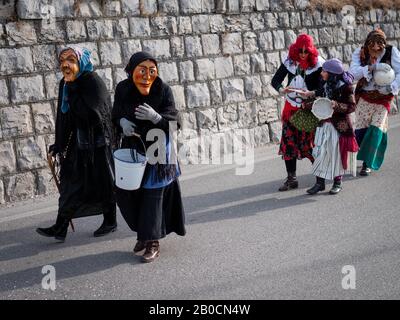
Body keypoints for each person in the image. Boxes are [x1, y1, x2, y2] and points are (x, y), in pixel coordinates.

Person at [36, 47, 117, 242]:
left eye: (71, 60)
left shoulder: (93, 82)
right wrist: (59, 143)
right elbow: (63, 117)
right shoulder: (66, 84)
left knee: (103, 182)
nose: (65, 64)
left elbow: (95, 116)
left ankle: (110, 221)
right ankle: (61, 226)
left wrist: (73, 92)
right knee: (70, 183)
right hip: (77, 143)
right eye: (62, 60)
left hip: (98, 142)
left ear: (81, 62)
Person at [112, 51, 185, 263]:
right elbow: (115, 114)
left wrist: (157, 118)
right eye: (141, 71)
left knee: (153, 197)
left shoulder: (163, 90)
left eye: (152, 71)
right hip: (133, 149)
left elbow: (175, 123)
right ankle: (143, 234)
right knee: (128, 195)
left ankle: (153, 242)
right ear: (131, 71)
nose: (147, 76)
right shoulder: (123, 89)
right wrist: (122, 123)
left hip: (159, 151)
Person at [271, 34, 324, 191]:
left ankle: (320, 179)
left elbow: (324, 88)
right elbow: (275, 80)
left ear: (311, 51)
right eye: (300, 50)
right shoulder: (289, 62)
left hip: (307, 110)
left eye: (305, 51)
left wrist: (311, 93)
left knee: (309, 145)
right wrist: (282, 89)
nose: (302, 54)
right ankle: (291, 179)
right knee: (288, 144)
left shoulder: (319, 65)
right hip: (290, 109)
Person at [300, 59, 358, 195]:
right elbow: (320, 97)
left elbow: (351, 106)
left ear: (332, 73)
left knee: (334, 154)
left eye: (325, 71)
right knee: (318, 153)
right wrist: (307, 100)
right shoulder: (325, 83)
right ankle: (319, 183)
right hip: (322, 125)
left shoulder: (346, 87)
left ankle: (338, 182)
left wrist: (336, 105)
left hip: (337, 126)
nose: (322, 73)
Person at [350, 29, 400, 176]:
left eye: (380, 45)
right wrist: (372, 67)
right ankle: (354, 156)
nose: (376, 49)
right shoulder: (360, 53)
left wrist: (392, 87)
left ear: (384, 44)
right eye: (372, 45)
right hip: (364, 96)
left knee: (376, 129)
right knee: (362, 129)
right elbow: (353, 73)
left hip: (384, 97)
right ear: (367, 44)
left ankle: (367, 163)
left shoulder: (392, 52)